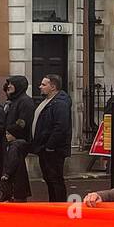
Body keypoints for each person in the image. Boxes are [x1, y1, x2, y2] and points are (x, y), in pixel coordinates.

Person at [30, 74, 72, 202]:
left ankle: (59, 205)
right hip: (45, 148)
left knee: (55, 179)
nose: (40, 87)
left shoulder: (59, 103)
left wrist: (49, 146)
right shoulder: (48, 101)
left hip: (53, 150)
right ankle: (53, 203)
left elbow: (60, 127)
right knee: (49, 178)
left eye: (44, 84)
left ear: (53, 87)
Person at [0, 75, 35, 203]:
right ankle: (8, 193)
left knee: (17, 169)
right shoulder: (12, 101)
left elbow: (23, 122)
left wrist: (10, 131)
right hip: (9, 139)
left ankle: (19, 194)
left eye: (11, 84)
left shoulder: (25, 101)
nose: (9, 86)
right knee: (12, 166)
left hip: (18, 140)